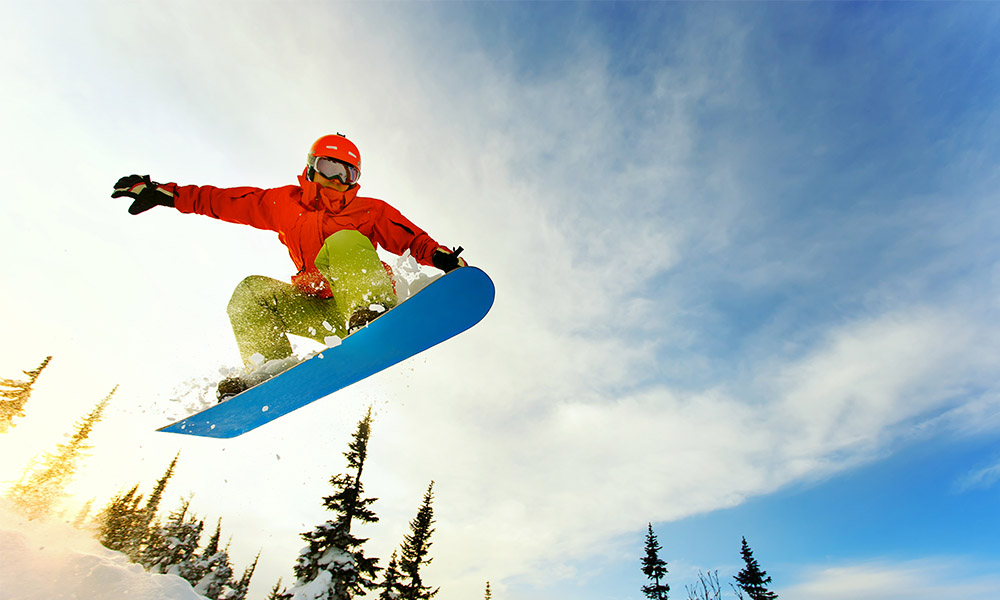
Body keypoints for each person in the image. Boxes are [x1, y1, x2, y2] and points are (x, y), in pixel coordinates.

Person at [112, 133, 466, 399]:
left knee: (344, 240)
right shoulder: (284, 203)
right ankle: (270, 367)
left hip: (362, 298)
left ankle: (374, 313)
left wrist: (443, 258)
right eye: (329, 168)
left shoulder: (370, 210)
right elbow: (227, 201)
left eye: (347, 173)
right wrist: (166, 194)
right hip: (320, 312)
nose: (337, 180)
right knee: (251, 291)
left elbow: (412, 239)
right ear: (312, 167)